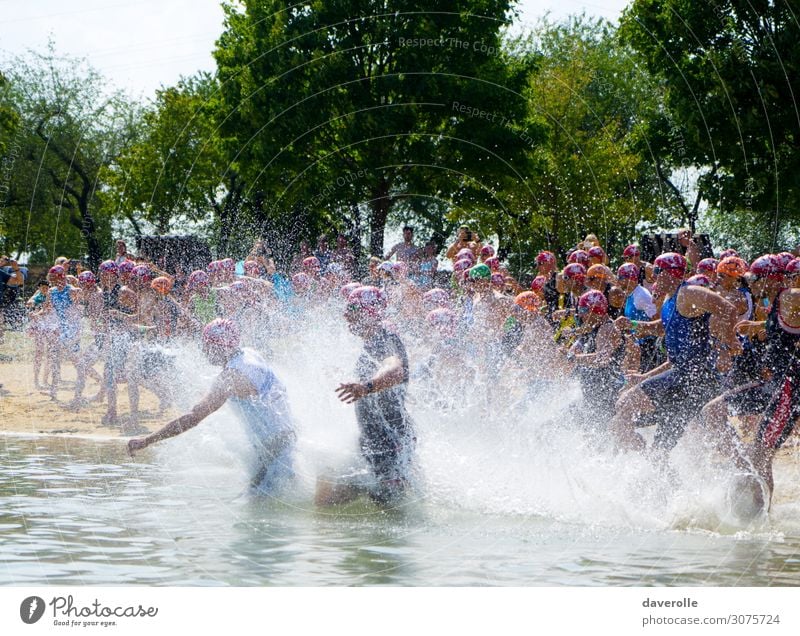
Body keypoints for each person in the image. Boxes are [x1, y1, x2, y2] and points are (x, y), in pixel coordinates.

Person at [128, 319, 296, 495]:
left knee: (258, 507)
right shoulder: (249, 355)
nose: (203, 350)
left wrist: (147, 441)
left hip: (275, 453)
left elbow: (193, 418)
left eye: (207, 344)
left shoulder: (230, 378)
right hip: (285, 441)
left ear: (219, 346)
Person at [610, 253, 742, 455]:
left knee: (625, 405)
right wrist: (635, 325)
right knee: (658, 449)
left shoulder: (688, 292)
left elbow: (728, 309)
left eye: (656, 271)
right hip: (682, 381)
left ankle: (640, 463)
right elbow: (664, 327)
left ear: (669, 273)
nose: (652, 277)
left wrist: (728, 344)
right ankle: (648, 469)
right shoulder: (670, 300)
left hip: (692, 377)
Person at [316, 286, 416, 507]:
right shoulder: (372, 342)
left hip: (389, 442)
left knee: (383, 509)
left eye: (352, 308)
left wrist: (366, 387)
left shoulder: (383, 338)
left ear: (368, 312)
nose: (346, 315)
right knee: (329, 496)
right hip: (376, 439)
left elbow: (396, 370)